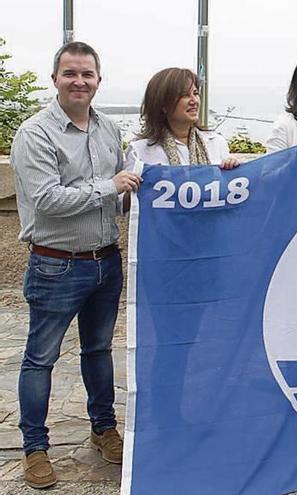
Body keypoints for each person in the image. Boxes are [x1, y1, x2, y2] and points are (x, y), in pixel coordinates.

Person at [10, 41, 141, 489]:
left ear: (98, 80)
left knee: (98, 351)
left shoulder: (108, 129)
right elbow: (47, 200)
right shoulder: (35, 133)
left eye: (87, 74)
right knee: (40, 359)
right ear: (55, 79)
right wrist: (110, 187)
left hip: (106, 262)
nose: (79, 81)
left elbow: (122, 192)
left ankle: (104, 428)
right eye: (70, 73)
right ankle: (35, 447)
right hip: (55, 266)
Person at [126, 68, 239, 168]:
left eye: (195, 93)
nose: (194, 101)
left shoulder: (216, 143)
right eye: (185, 95)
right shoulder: (139, 151)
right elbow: (131, 191)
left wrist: (231, 169)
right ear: (163, 104)